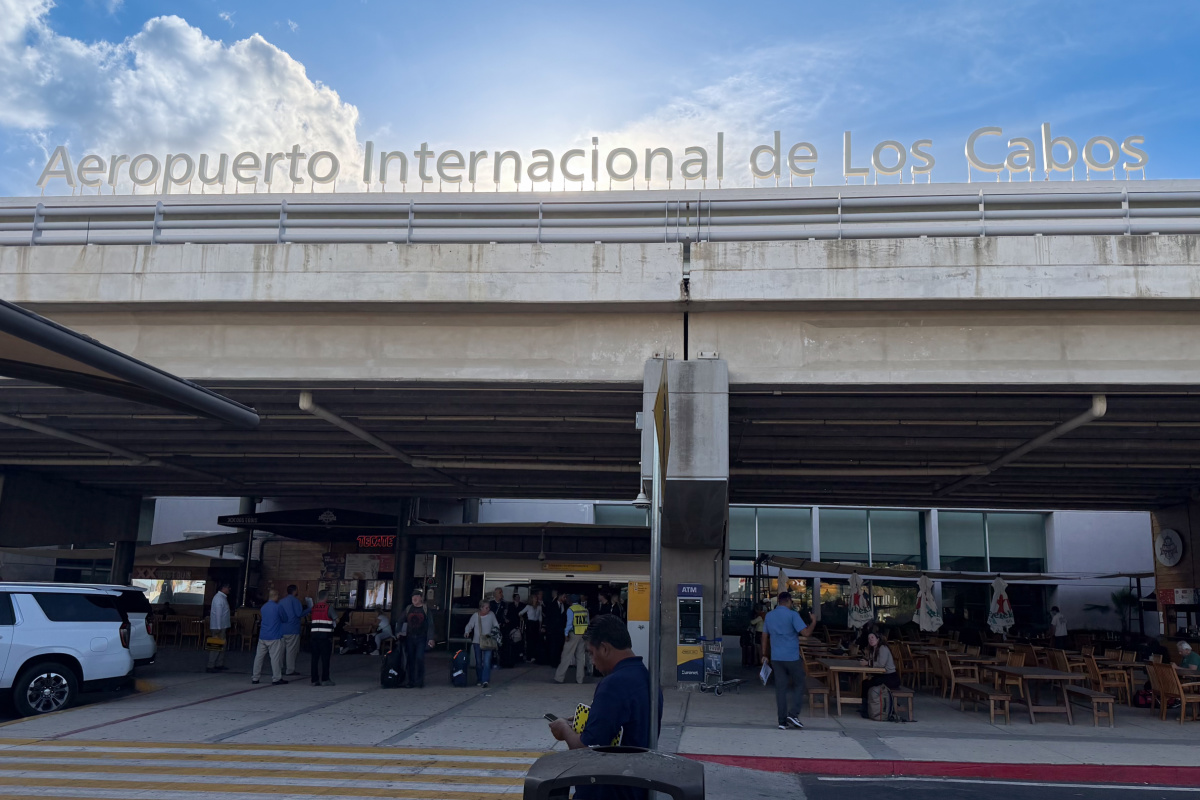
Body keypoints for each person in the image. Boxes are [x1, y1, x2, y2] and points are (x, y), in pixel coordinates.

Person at [548, 614, 663, 800]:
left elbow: (586, 748)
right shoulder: (646, 678)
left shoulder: (613, 684)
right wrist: (592, 718)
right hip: (635, 787)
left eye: (591, 653)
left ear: (604, 648)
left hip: (609, 792)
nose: (593, 662)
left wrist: (563, 729)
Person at [761, 591, 815, 730]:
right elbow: (806, 633)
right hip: (791, 657)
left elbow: (764, 635)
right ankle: (793, 714)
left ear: (779, 601)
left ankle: (782, 721)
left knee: (781, 689)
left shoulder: (769, 616)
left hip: (776, 657)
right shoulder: (793, 615)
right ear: (788, 601)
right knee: (799, 683)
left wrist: (764, 654)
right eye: (792, 602)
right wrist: (814, 622)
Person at [859, 630, 901, 717]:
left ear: (878, 639)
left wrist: (867, 663)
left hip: (891, 677)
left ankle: (866, 710)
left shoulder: (883, 648)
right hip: (883, 676)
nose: (870, 640)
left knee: (867, 684)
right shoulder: (874, 649)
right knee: (865, 683)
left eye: (872, 637)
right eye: (869, 638)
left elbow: (881, 664)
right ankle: (866, 707)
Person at [252, 589, 288, 685]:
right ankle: (276, 678)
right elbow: (285, 619)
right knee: (275, 658)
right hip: (274, 636)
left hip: (263, 635)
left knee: (259, 657)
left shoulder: (263, 607)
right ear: (276, 596)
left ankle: (255, 677)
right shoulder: (278, 607)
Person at [555, 594, 590, 684]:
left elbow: (569, 623)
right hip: (583, 635)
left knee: (566, 656)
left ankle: (559, 677)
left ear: (570, 601)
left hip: (573, 634)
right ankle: (580, 679)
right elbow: (588, 623)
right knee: (580, 657)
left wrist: (566, 634)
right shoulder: (584, 609)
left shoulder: (571, 609)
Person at [404, 590, 435, 688]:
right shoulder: (409, 608)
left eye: (417, 596)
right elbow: (401, 620)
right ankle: (411, 681)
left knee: (419, 658)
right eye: (413, 596)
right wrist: (398, 632)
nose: (414, 598)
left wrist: (431, 638)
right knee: (410, 659)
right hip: (410, 638)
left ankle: (419, 681)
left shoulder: (425, 609)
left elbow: (430, 624)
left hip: (421, 638)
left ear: (421, 598)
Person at [465, 599, 498, 687]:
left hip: (488, 641)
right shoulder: (476, 616)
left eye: (489, 607)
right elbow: (470, 625)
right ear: (481, 608)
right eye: (486, 608)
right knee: (478, 662)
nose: (488, 609)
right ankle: (479, 679)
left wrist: (494, 633)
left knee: (487, 662)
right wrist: (467, 631)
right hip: (477, 641)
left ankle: (485, 680)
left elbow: (496, 625)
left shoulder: (491, 615)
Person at [280, 585, 311, 677]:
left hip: (282, 629)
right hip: (293, 629)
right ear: (295, 591)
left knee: (280, 651)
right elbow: (299, 614)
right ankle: (290, 669)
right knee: (291, 651)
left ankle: (279, 668)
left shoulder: (281, 601)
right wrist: (309, 609)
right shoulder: (296, 601)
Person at [309, 590, 337, 686]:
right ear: (326, 597)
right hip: (325, 636)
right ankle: (325, 679)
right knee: (325, 659)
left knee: (314, 659)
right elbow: (336, 619)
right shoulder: (328, 607)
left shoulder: (313, 607)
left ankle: (314, 680)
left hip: (314, 636)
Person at [205, 581, 232, 673]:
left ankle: (218, 664)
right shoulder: (219, 599)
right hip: (219, 627)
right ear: (223, 588)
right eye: (228, 587)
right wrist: (218, 627)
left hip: (221, 626)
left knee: (221, 646)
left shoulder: (221, 598)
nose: (229, 589)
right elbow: (218, 614)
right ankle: (211, 665)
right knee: (216, 646)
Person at [520, 591, 544, 664]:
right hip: (530, 623)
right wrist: (522, 618)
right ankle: (529, 656)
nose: (536, 599)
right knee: (530, 641)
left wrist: (540, 626)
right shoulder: (528, 606)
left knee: (536, 640)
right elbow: (520, 613)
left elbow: (540, 617)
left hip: (536, 623)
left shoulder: (539, 607)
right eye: (534, 598)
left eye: (536, 598)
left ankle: (534, 656)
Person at [544, 591, 567, 668]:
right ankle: (553, 662)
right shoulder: (552, 605)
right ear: (559, 596)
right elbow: (548, 617)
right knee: (554, 646)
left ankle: (558, 660)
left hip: (561, 629)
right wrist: (547, 628)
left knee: (560, 646)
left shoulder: (565, 606)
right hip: (553, 629)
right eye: (564, 597)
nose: (565, 598)